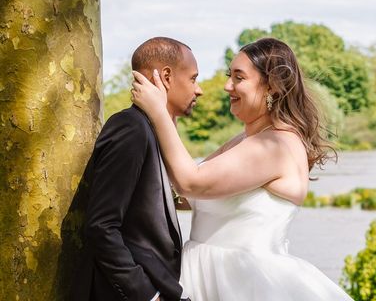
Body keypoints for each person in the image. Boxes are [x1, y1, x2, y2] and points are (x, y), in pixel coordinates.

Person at [131, 37, 353, 300]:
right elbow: (185, 193)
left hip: (244, 283)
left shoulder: (276, 145)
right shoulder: (244, 140)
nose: (227, 86)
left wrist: (159, 111)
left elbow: (191, 182)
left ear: (271, 86)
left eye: (239, 77)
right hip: (204, 276)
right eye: (229, 75)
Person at [73, 37, 201, 301]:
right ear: (166, 76)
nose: (198, 90)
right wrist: (148, 295)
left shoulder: (153, 131)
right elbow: (102, 226)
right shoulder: (130, 128)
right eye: (193, 78)